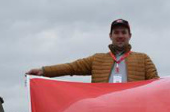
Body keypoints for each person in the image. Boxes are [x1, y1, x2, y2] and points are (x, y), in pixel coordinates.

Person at [26, 19, 158, 83]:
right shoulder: (97, 59)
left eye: (124, 32)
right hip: (103, 111)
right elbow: (72, 67)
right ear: (110, 36)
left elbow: (158, 85)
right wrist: (43, 71)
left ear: (130, 36)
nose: (120, 36)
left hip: (132, 111)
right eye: (116, 32)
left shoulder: (143, 59)